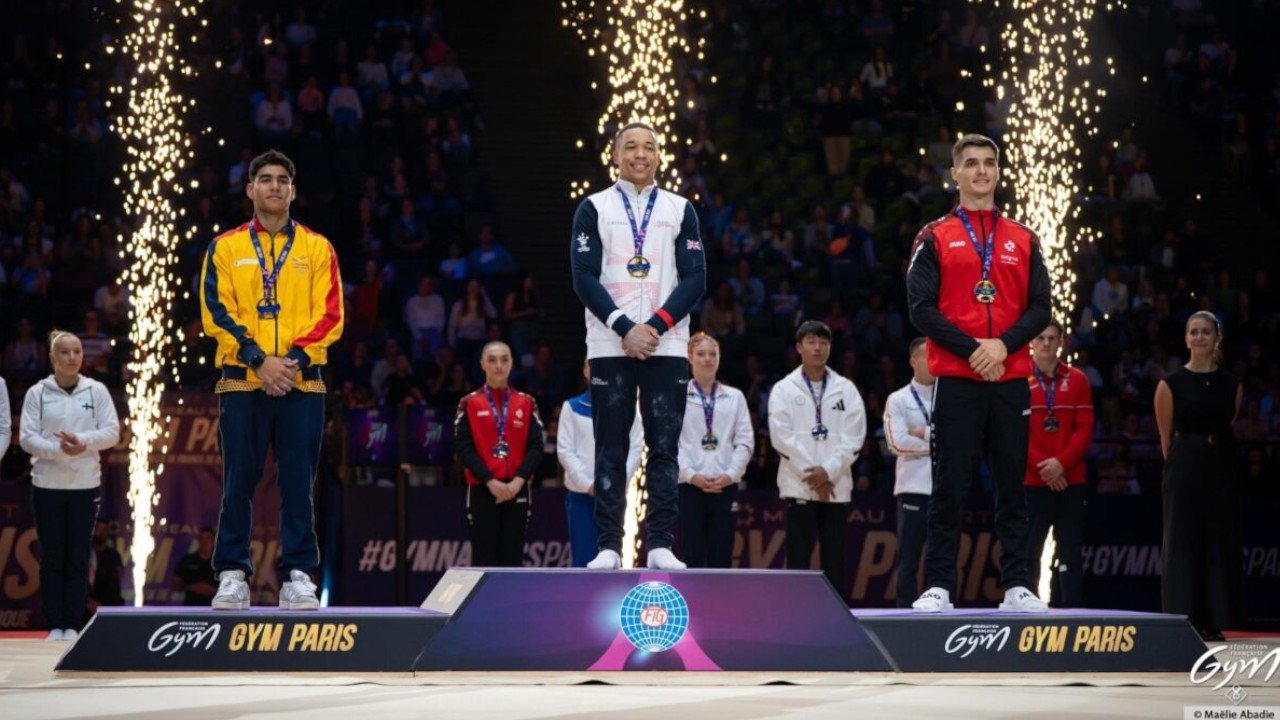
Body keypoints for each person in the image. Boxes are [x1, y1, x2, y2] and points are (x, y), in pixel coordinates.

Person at [905, 133, 1051, 613]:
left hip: (1009, 379)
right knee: (950, 484)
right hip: (959, 378)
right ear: (955, 174)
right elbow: (920, 309)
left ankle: (1016, 586)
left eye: (989, 163)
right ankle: (940, 586)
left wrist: (1002, 346)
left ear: (999, 172)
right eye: (971, 163)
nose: (981, 171)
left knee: (1013, 483)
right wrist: (975, 351)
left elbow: (1040, 308)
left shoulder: (1024, 238)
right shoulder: (935, 236)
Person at [199, 149, 344, 610]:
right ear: (250, 190)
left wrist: (291, 362)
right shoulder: (225, 247)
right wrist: (260, 360)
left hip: (301, 383)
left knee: (299, 483)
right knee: (237, 482)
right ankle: (232, 574)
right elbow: (214, 312)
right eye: (265, 179)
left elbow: (332, 315)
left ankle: (299, 574)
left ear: (293, 191)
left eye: (283, 179)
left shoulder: (318, 248)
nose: (275, 186)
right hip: (243, 381)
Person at [570, 121, 707, 570]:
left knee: (664, 445)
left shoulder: (680, 208)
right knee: (610, 445)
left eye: (649, 147)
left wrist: (656, 325)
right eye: (631, 146)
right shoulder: (593, 207)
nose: (640, 154)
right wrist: (625, 326)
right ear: (615, 154)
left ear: (659, 155)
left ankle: (661, 543)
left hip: (665, 345)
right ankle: (609, 545)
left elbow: (696, 277)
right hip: (610, 341)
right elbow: (583, 276)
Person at [19, 331, 120, 641]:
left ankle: (73, 625)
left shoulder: (97, 391)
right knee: (52, 556)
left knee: (77, 556)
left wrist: (84, 443)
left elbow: (112, 432)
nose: (72, 357)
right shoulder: (38, 393)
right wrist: (57, 449)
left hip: (84, 485)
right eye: (65, 352)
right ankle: (54, 625)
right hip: (47, 484)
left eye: (76, 351)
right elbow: (26, 437)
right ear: (52, 358)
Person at [1154, 311, 1243, 641]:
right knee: (1182, 540)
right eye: (1194, 331)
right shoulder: (1171, 383)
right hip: (1184, 465)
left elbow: (1229, 420)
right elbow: (1165, 437)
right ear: (1186, 338)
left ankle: (1214, 619)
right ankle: (1182, 618)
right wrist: (1182, 463)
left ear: (1216, 337)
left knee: (1218, 539)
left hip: (1222, 465)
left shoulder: (1232, 383)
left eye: (1206, 332)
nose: (1199, 337)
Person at [768, 321, 867, 597]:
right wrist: (815, 475)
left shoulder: (846, 389)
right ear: (799, 347)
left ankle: (835, 625)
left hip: (835, 487)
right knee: (798, 560)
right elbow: (781, 438)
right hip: (800, 485)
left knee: (834, 561)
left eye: (823, 342)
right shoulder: (784, 389)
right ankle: (797, 618)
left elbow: (854, 438)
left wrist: (828, 472)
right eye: (811, 341)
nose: (818, 347)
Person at [454, 341, 544, 567]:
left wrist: (517, 482)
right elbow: (463, 447)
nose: (499, 365)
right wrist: (490, 481)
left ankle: (511, 602)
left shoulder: (526, 402)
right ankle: (483, 605)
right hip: (482, 490)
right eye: (492, 360)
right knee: (483, 557)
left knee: (513, 558)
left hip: (518, 490)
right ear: (482, 364)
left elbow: (536, 446)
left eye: (504, 359)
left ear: (512, 364)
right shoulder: (469, 403)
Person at [1025, 320, 1094, 608]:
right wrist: (1046, 467)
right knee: (1030, 550)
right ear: (1031, 342)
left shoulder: (1078, 379)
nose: (1045, 343)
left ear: (1061, 342)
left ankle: (1073, 611)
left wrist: (1060, 465)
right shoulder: (1017, 379)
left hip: (1071, 480)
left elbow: (1085, 428)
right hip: (1033, 480)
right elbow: (1014, 433)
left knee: (1071, 551)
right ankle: (1026, 607)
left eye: (1051, 338)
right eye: (1040, 337)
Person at [678, 333, 754, 568]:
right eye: (701, 354)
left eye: (713, 354)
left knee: (722, 555)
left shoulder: (735, 397)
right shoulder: (676, 395)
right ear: (690, 358)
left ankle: (720, 605)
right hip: (689, 486)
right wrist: (691, 475)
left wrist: (730, 475)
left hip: (725, 486)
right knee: (691, 554)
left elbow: (745, 441)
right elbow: (670, 443)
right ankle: (692, 603)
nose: (707, 359)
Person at [557, 361, 642, 567]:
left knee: (614, 559)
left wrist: (618, 482)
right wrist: (588, 484)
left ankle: (611, 599)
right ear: (585, 371)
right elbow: (565, 451)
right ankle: (581, 600)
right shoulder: (572, 407)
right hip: (582, 496)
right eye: (592, 365)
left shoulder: (628, 407)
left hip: (614, 496)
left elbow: (636, 448)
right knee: (585, 559)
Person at [883, 337, 935, 607]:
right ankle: (904, 615)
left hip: (943, 491)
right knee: (908, 560)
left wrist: (924, 432)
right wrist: (939, 445)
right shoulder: (899, 398)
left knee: (941, 560)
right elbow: (896, 442)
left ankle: (942, 615)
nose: (935, 362)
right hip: (913, 489)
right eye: (929, 356)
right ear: (914, 361)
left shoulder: (950, 397)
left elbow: (962, 440)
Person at [171, 527, 218, 606]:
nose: (204, 542)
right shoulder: (187, 561)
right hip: (191, 609)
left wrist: (214, 590)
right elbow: (175, 586)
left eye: (208, 538)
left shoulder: (222, 563)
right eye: (201, 538)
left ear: (214, 541)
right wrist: (190, 587)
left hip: (215, 610)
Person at [88, 518, 124, 612]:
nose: (102, 532)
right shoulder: (85, 555)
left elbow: (118, 579)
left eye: (105, 529)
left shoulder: (114, 556)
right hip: (88, 606)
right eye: (99, 528)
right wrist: (87, 601)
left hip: (110, 605)